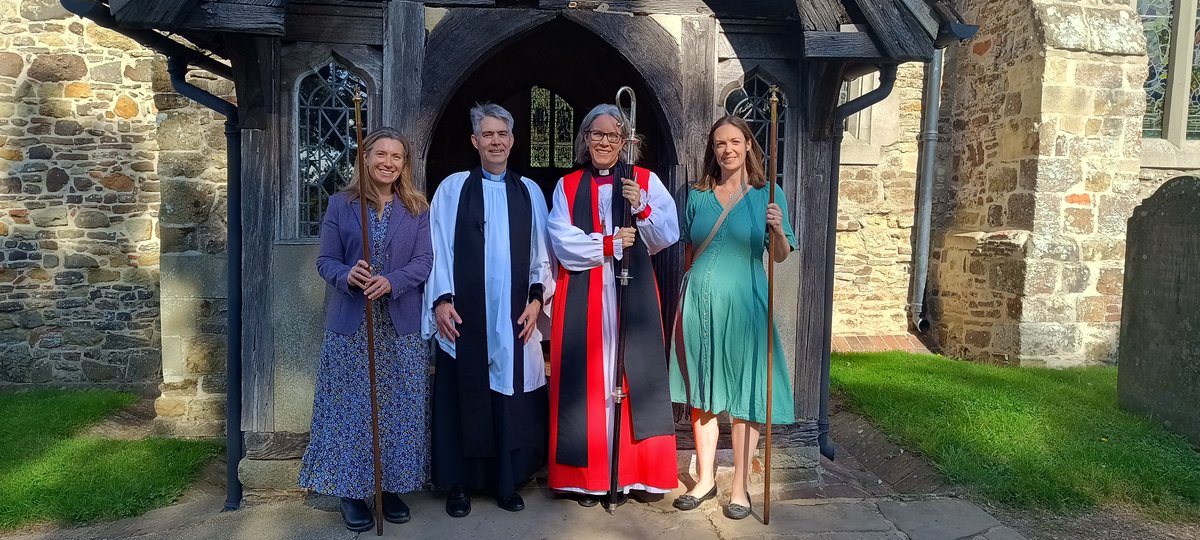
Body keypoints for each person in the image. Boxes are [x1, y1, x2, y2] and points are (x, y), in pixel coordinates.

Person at [424, 103, 555, 518]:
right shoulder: (453, 188)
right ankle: (460, 485)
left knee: (509, 396)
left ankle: (506, 482)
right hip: (465, 316)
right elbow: (437, 246)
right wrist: (442, 299)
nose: (496, 141)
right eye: (488, 134)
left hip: (514, 315)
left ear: (513, 141)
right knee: (464, 394)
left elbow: (542, 256)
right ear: (475, 141)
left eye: (503, 134)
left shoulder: (529, 191)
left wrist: (537, 301)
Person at [300, 127, 433, 532]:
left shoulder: (416, 208)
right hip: (352, 326)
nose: (387, 162)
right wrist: (348, 274)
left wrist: (393, 281)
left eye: (396, 156)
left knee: (397, 409)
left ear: (404, 164)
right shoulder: (342, 205)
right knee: (351, 410)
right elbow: (326, 260)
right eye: (380, 154)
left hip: (399, 326)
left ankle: (389, 487)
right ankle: (352, 492)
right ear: (365, 158)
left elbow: (425, 261)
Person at [546, 103, 679, 507]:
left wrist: (641, 206)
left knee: (634, 379)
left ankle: (634, 475)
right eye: (597, 134)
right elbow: (561, 241)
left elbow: (666, 235)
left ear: (625, 142)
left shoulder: (644, 180)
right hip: (584, 292)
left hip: (631, 294)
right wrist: (606, 244)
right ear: (585, 139)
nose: (604, 142)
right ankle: (590, 480)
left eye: (613, 136)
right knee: (588, 384)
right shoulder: (567, 186)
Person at [668, 115, 797, 520]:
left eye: (735, 142)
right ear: (713, 150)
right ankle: (705, 479)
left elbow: (779, 256)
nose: (727, 150)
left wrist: (776, 230)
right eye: (720, 143)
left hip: (747, 305)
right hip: (701, 308)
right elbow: (690, 249)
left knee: (746, 395)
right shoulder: (697, 195)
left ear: (748, 147)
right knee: (703, 394)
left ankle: (739, 487)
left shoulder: (768, 194)